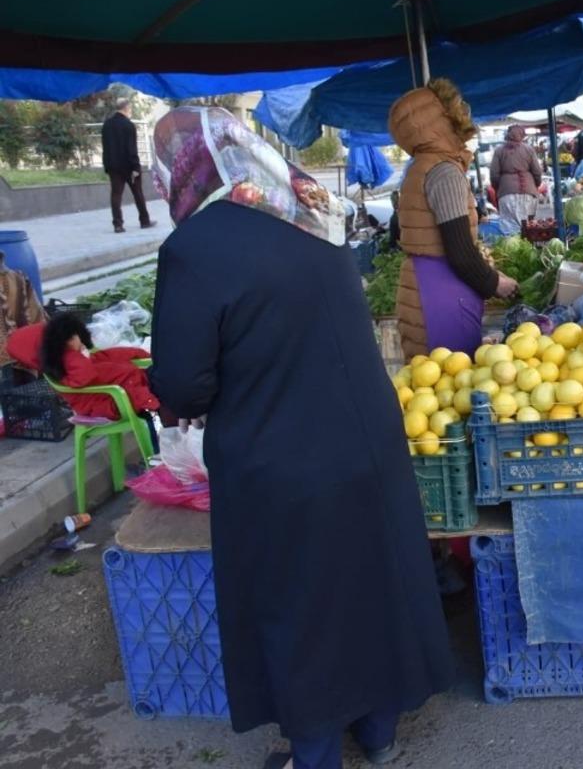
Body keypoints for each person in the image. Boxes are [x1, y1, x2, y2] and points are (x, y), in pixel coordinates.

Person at [145, 106, 454, 769]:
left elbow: (182, 385)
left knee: (300, 605)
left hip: (279, 457)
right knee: (370, 584)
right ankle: (378, 734)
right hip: (369, 442)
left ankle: (313, 755)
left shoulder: (196, 246)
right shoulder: (310, 213)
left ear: (184, 165)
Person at [389, 79, 518, 358]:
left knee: (430, 383)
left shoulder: (419, 167)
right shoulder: (443, 172)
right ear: (442, 118)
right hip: (442, 295)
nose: (465, 112)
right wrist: (495, 283)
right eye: (458, 106)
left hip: (422, 286)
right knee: (452, 384)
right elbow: (459, 251)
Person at [7, 314, 174, 448]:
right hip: (108, 402)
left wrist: (140, 353)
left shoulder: (74, 359)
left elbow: (108, 356)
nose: (77, 339)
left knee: (171, 389)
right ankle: (157, 457)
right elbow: (85, 376)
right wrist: (76, 354)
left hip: (127, 388)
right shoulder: (69, 364)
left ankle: (166, 453)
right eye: (72, 336)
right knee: (161, 407)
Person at [101, 98, 155, 233]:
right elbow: (132, 149)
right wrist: (136, 167)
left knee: (116, 195)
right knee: (138, 193)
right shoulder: (128, 125)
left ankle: (117, 225)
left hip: (113, 166)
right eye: (130, 109)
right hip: (129, 167)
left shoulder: (107, 125)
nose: (130, 111)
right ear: (126, 108)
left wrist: (107, 166)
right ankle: (144, 221)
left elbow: (105, 147)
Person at [489, 124, 542, 223]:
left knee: (509, 228)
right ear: (522, 135)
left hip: (506, 193)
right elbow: (537, 172)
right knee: (528, 227)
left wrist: (498, 188)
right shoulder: (529, 149)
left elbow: (494, 174)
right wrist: (536, 184)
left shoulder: (499, 151)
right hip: (528, 193)